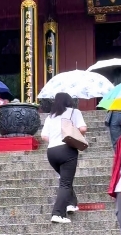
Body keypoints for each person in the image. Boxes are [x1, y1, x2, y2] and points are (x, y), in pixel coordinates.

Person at [40, 92, 87, 224]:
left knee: (65, 178)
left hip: (51, 152)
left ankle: (71, 203)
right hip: (67, 150)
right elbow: (83, 129)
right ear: (69, 101)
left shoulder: (51, 116)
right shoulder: (74, 112)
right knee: (65, 183)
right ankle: (57, 213)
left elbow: (44, 136)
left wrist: (55, 139)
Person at [105, 68, 121, 151]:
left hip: (114, 115)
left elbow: (106, 102)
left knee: (116, 142)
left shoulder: (110, 87)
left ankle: (119, 158)